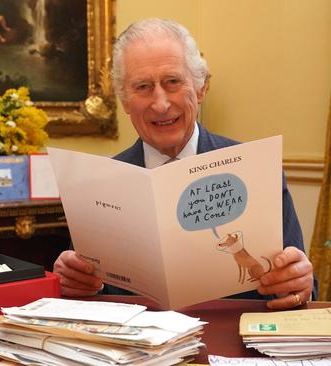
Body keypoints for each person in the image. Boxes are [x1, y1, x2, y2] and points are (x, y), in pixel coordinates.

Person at [53, 18, 316, 310]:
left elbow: (300, 290)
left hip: (230, 344)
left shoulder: (257, 171)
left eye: (173, 82)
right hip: (140, 351)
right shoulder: (99, 184)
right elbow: (83, 292)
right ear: (125, 101)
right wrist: (71, 282)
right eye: (142, 87)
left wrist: (299, 284)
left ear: (202, 87)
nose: (161, 103)